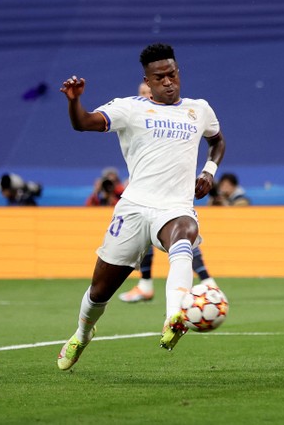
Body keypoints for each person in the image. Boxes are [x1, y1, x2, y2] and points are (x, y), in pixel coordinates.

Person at [57, 43, 225, 371]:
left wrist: (209, 171)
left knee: (185, 233)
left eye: (172, 74)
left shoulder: (199, 109)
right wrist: (75, 101)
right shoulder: (129, 108)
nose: (168, 82)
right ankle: (82, 333)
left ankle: (174, 315)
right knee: (99, 291)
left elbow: (217, 141)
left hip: (175, 206)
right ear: (146, 80)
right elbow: (84, 123)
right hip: (134, 208)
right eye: (159, 77)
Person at [117, 82, 217, 303]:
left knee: (181, 238)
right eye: (141, 93)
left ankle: (207, 280)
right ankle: (146, 284)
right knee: (151, 239)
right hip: (145, 194)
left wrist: (207, 171)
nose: (145, 95)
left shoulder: (176, 115)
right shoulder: (136, 116)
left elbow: (213, 140)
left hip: (172, 194)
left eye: (147, 92)